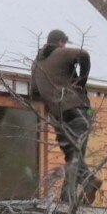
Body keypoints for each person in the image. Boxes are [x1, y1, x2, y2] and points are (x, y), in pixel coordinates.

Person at [29, 29, 95, 198]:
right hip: (77, 111)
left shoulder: (37, 64)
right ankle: (89, 182)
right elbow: (84, 55)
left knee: (72, 156)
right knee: (76, 154)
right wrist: (82, 80)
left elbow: (34, 93)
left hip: (58, 117)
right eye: (64, 42)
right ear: (60, 42)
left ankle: (67, 195)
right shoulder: (60, 53)